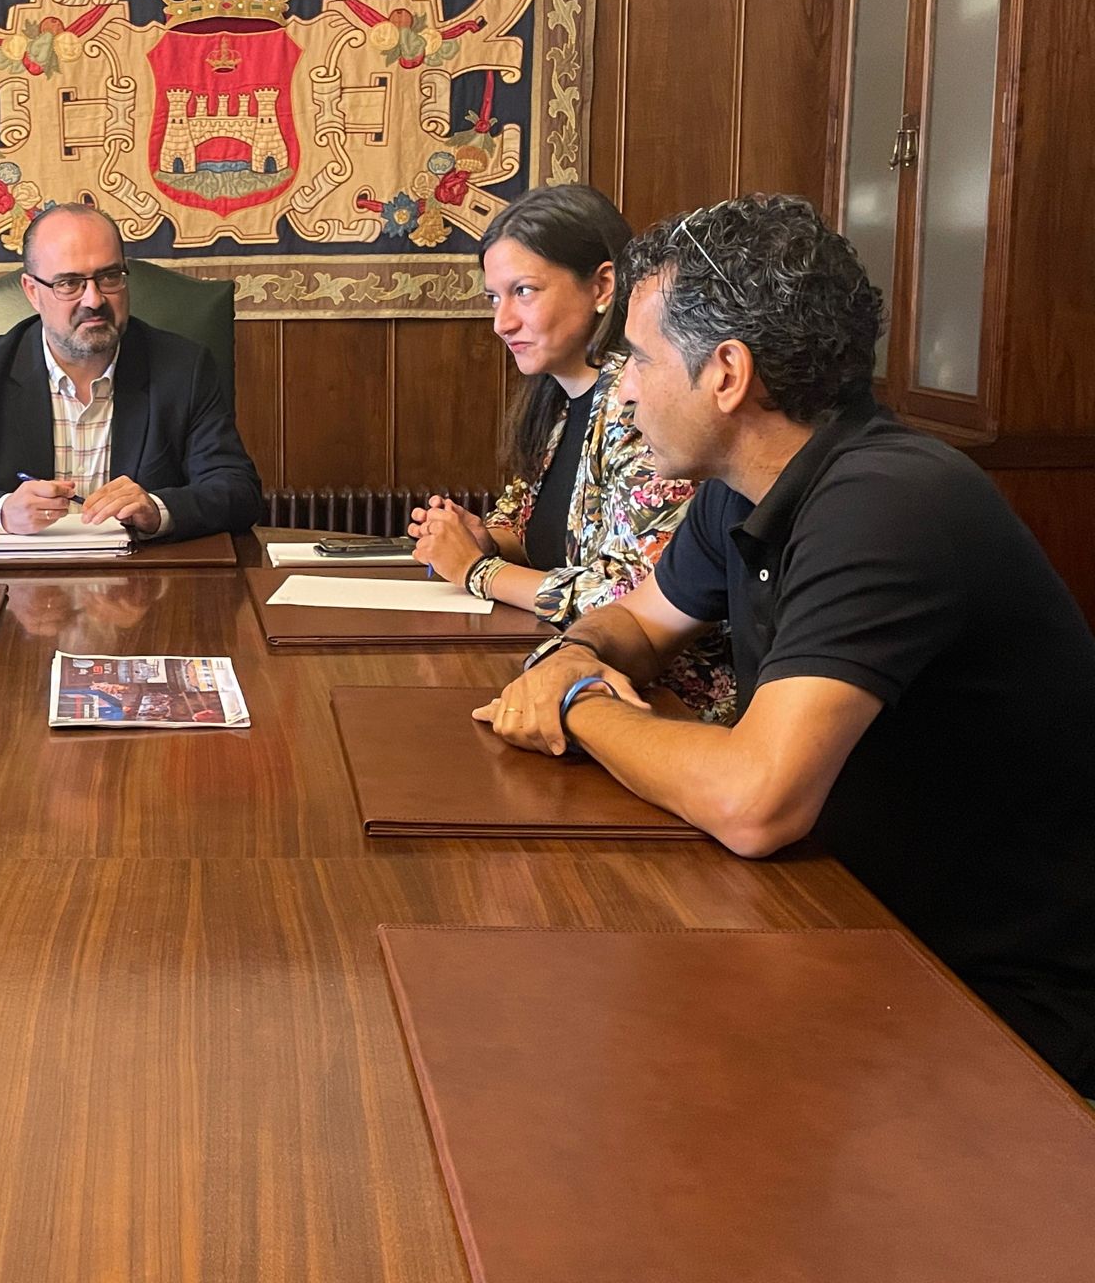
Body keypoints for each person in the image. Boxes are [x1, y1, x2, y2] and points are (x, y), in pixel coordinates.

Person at [477, 194, 1095, 1096]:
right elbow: (641, 623)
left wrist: (575, 703)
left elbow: (755, 801)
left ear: (726, 373)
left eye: (642, 359)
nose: (630, 387)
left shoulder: (888, 503)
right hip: (847, 926)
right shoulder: (747, 481)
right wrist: (578, 654)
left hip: (989, 1003)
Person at [408, 184, 732, 717]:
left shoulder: (641, 406)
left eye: (525, 291)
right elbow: (533, 526)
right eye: (495, 297)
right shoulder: (558, 400)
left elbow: (633, 597)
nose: (502, 322)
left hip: (664, 701)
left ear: (604, 285)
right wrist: (480, 537)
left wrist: (476, 571)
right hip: (570, 671)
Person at [0, 204, 261, 544]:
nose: (94, 300)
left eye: (109, 277)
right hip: (20, 590)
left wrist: (157, 509)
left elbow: (239, 492)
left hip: (145, 584)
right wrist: (2, 513)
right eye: (69, 283)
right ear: (32, 292)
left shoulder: (183, 367)